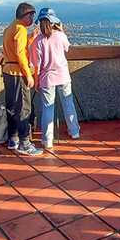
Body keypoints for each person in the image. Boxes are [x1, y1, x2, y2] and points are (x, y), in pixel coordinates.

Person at [30, 8, 80, 149]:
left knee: (47, 108)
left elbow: (36, 65)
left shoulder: (37, 41)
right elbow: (67, 48)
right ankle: (74, 131)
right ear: (54, 22)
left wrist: (36, 80)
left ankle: (47, 140)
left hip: (47, 77)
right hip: (63, 75)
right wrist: (62, 31)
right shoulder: (60, 36)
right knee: (68, 103)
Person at [2, 2, 42, 155]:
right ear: (26, 15)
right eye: (32, 15)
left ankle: (13, 139)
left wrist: (31, 39)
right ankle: (25, 143)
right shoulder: (20, 29)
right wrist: (28, 75)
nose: (33, 19)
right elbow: (20, 54)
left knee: (11, 107)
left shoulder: (9, 29)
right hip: (18, 73)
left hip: (8, 71)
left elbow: (15, 49)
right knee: (23, 108)